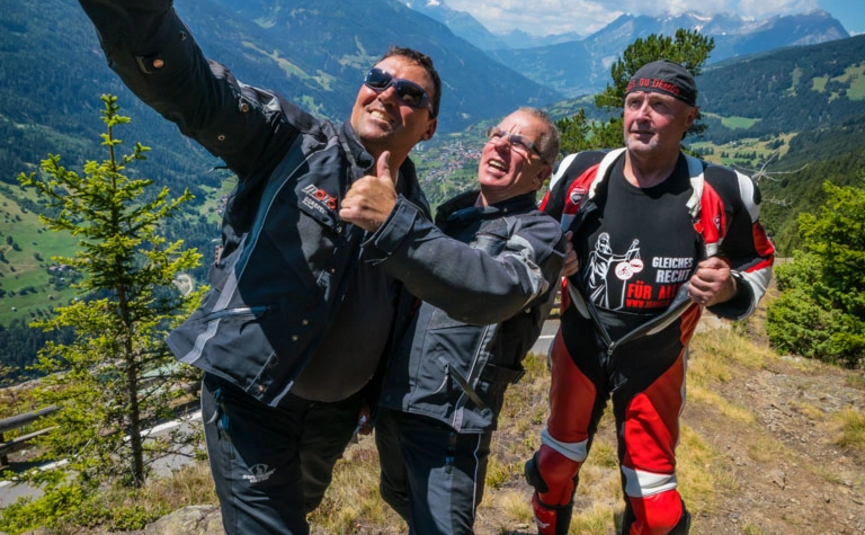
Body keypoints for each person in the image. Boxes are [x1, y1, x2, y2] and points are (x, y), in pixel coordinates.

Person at [78, 2, 440, 534]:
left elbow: (395, 317)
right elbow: (199, 92)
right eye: (378, 79)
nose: (387, 93)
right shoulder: (291, 142)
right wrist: (139, 15)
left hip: (334, 415)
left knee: (300, 508)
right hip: (251, 396)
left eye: (410, 94)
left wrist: (370, 393)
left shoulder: (414, 213)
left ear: (429, 127)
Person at [523, 60, 775, 535]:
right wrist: (553, 256)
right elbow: (533, 236)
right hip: (579, 344)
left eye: (659, 106)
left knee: (657, 511)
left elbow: (758, 261)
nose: (641, 115)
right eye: (633, 103)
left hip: (655, 357)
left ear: (688, 119)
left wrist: (730, 289)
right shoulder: (581, 174)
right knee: (554, 466)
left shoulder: (722, 190)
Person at [339, 107, 567, 534]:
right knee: (400, 498)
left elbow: (498, 288)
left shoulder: (539, 234)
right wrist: (374, 387)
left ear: (541, 176)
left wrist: (398, 223)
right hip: (397, 402)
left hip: (451, 417)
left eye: (520, 143)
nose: (501, 143)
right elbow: (406, 308)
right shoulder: (453, 217)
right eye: (497, 133)